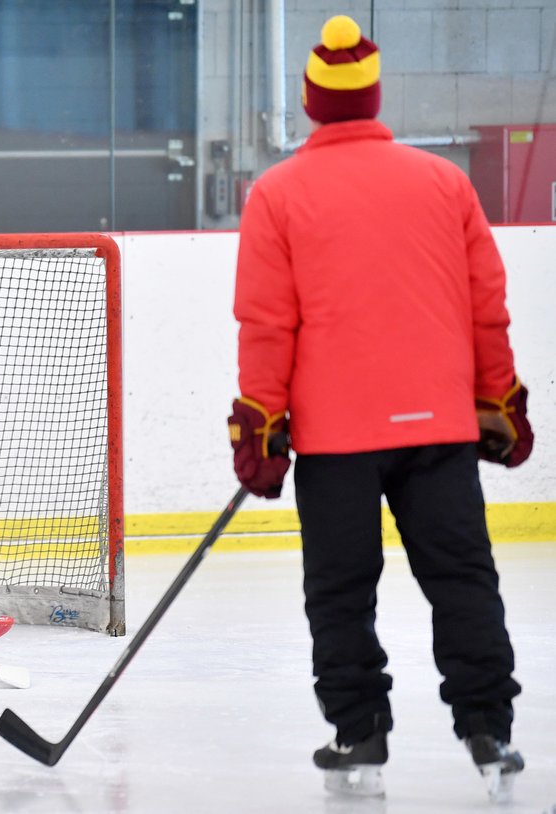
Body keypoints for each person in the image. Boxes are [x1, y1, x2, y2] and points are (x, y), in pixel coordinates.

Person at [227, 15, 533, 802]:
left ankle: (358, 729)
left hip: (336, 441)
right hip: (439, 430)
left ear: (311, 103)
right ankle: (489, 728)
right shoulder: (443, 182)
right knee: (463, 577)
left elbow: (269, 324)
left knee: (340, 590)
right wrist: (500, 399)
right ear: (374, 96)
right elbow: (484, 309)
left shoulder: (279, 193)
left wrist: (260, 425)